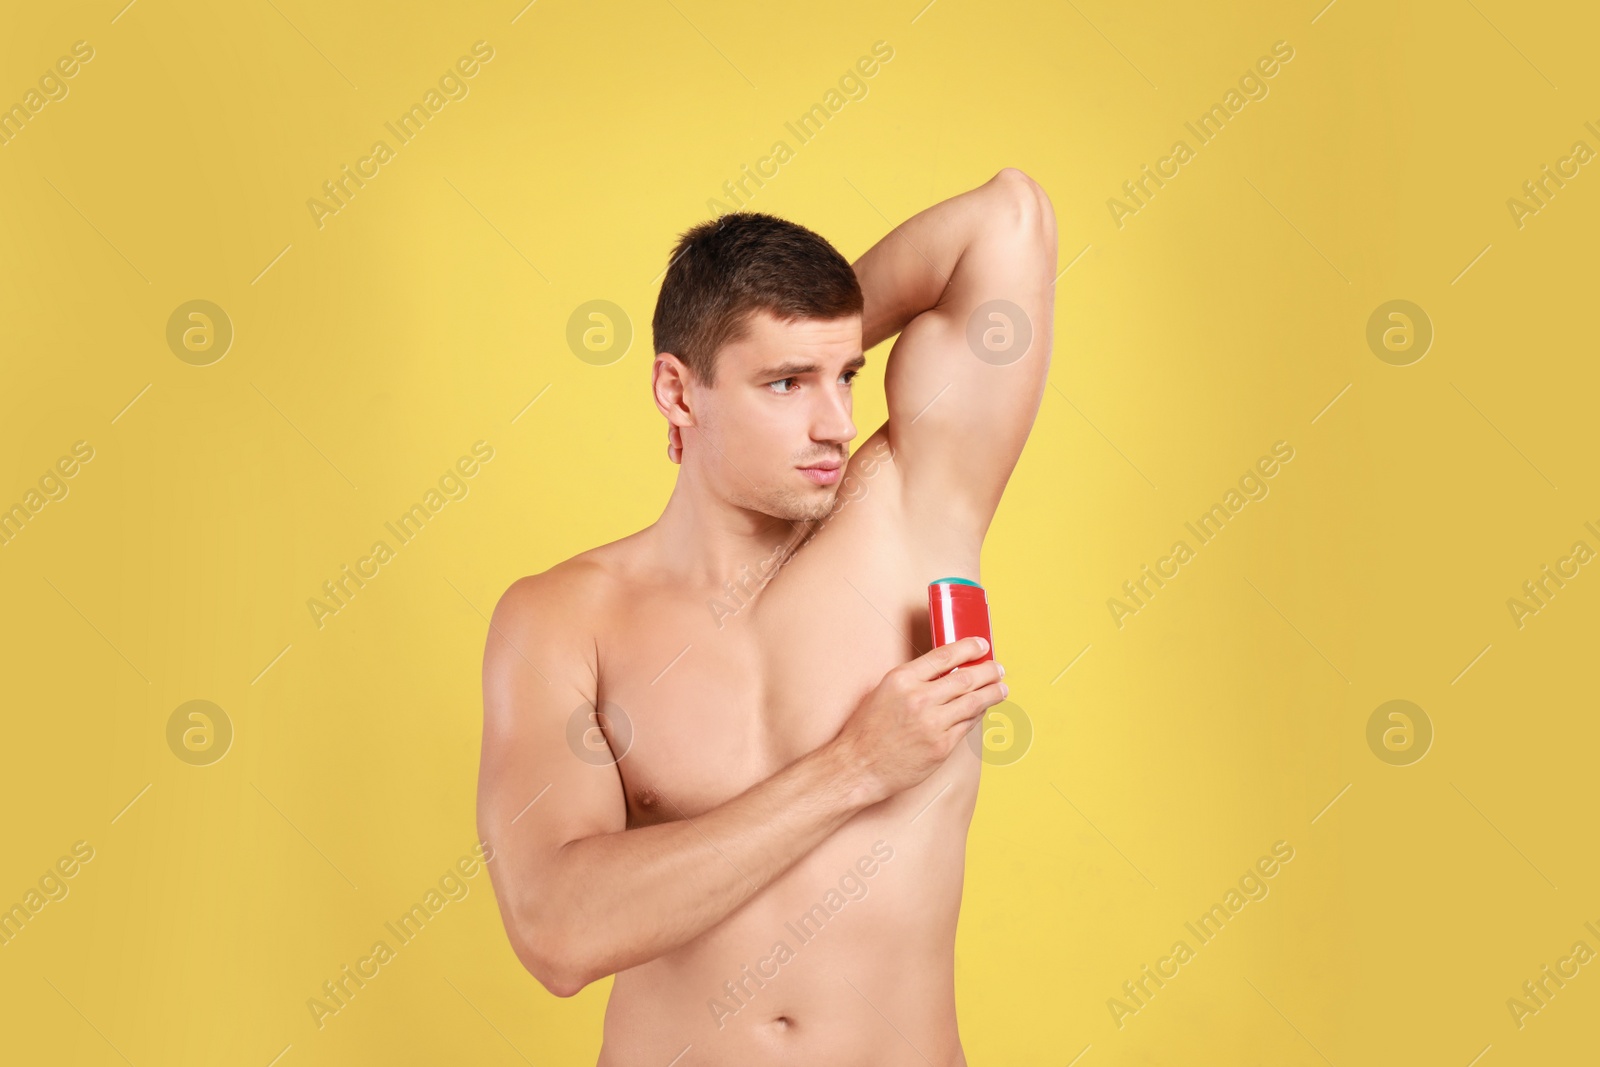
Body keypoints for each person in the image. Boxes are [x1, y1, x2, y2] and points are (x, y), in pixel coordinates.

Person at [477, 167, 1056, 1066]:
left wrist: (799, 344)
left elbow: (1008, 216)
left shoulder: (916, 508)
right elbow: (557, 930)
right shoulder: (566, 617)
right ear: (678, 391)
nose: (835, 423)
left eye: (848, 374)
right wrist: (856, 766)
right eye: (787, 385)